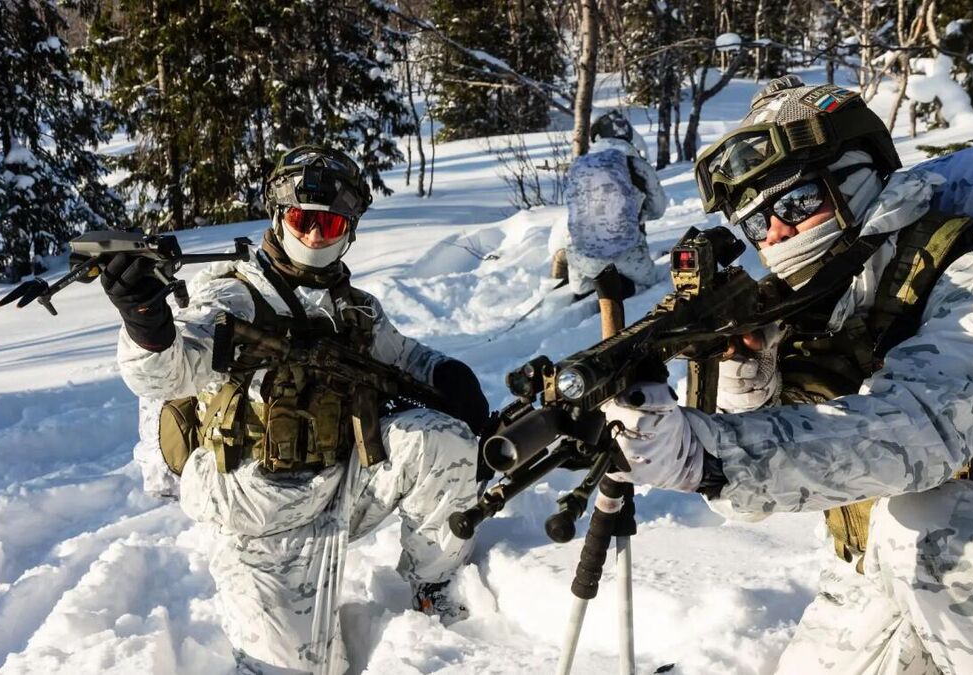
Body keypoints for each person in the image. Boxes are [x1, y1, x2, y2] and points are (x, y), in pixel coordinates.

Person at [600, 76, 973, 673]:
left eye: (796, 204)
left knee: (933, 525)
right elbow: (745, 507)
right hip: (875, 571)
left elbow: (915, 432)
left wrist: (706, 451)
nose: (776, 235)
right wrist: (743, 374)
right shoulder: (810, 309)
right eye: (756, 224)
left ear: (862, 177)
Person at [103, 146, 490, 674]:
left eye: (329, 223)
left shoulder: (355, 308)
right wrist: (145, 321)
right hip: (257, 515)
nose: (314, 235)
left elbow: (407, 360)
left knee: (441, 438)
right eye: (303, 219)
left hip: (343, 487)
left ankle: (433, 583)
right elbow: (166, 372)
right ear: (279, 217)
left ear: (348, 228)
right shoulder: (232, 297)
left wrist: (452, 379)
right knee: (296, 670)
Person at [560, 109, 667, 299]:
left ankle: (589, 286)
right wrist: (635, 216)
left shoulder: (579, 165)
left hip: (583, 259)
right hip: (628, 255)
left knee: (580, 288)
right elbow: (658, 209)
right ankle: (628, 288)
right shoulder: (636, 164)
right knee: (652, 284)